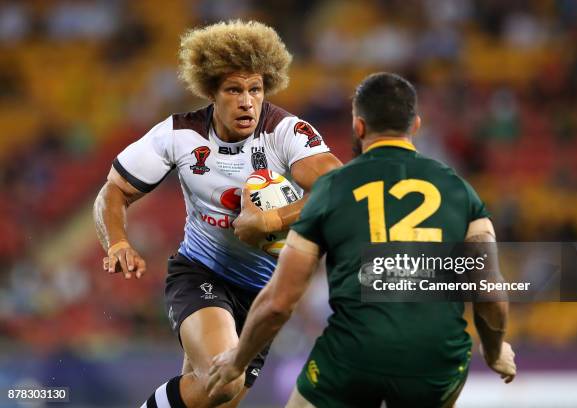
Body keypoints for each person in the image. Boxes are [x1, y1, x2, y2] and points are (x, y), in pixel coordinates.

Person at [207, 72, 517, 408]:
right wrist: (495, 347)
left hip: (354, 354)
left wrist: (237, 360)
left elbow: (279, 303)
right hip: (437, 357)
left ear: (358, 126)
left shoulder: (332, 188)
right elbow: (490, 292)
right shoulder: (460, 190)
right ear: (415, 126)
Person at [92, 20, 342, 408]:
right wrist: (118, 241)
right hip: (201, 273)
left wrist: (272, 220)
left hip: (265, 296)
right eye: (234, 89)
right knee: (221, 382)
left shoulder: (285, 132)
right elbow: (113, 190)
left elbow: (339, 186)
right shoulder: (178, 134)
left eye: (255, 89)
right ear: (211, 92)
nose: (247, 101)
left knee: (212, 400)